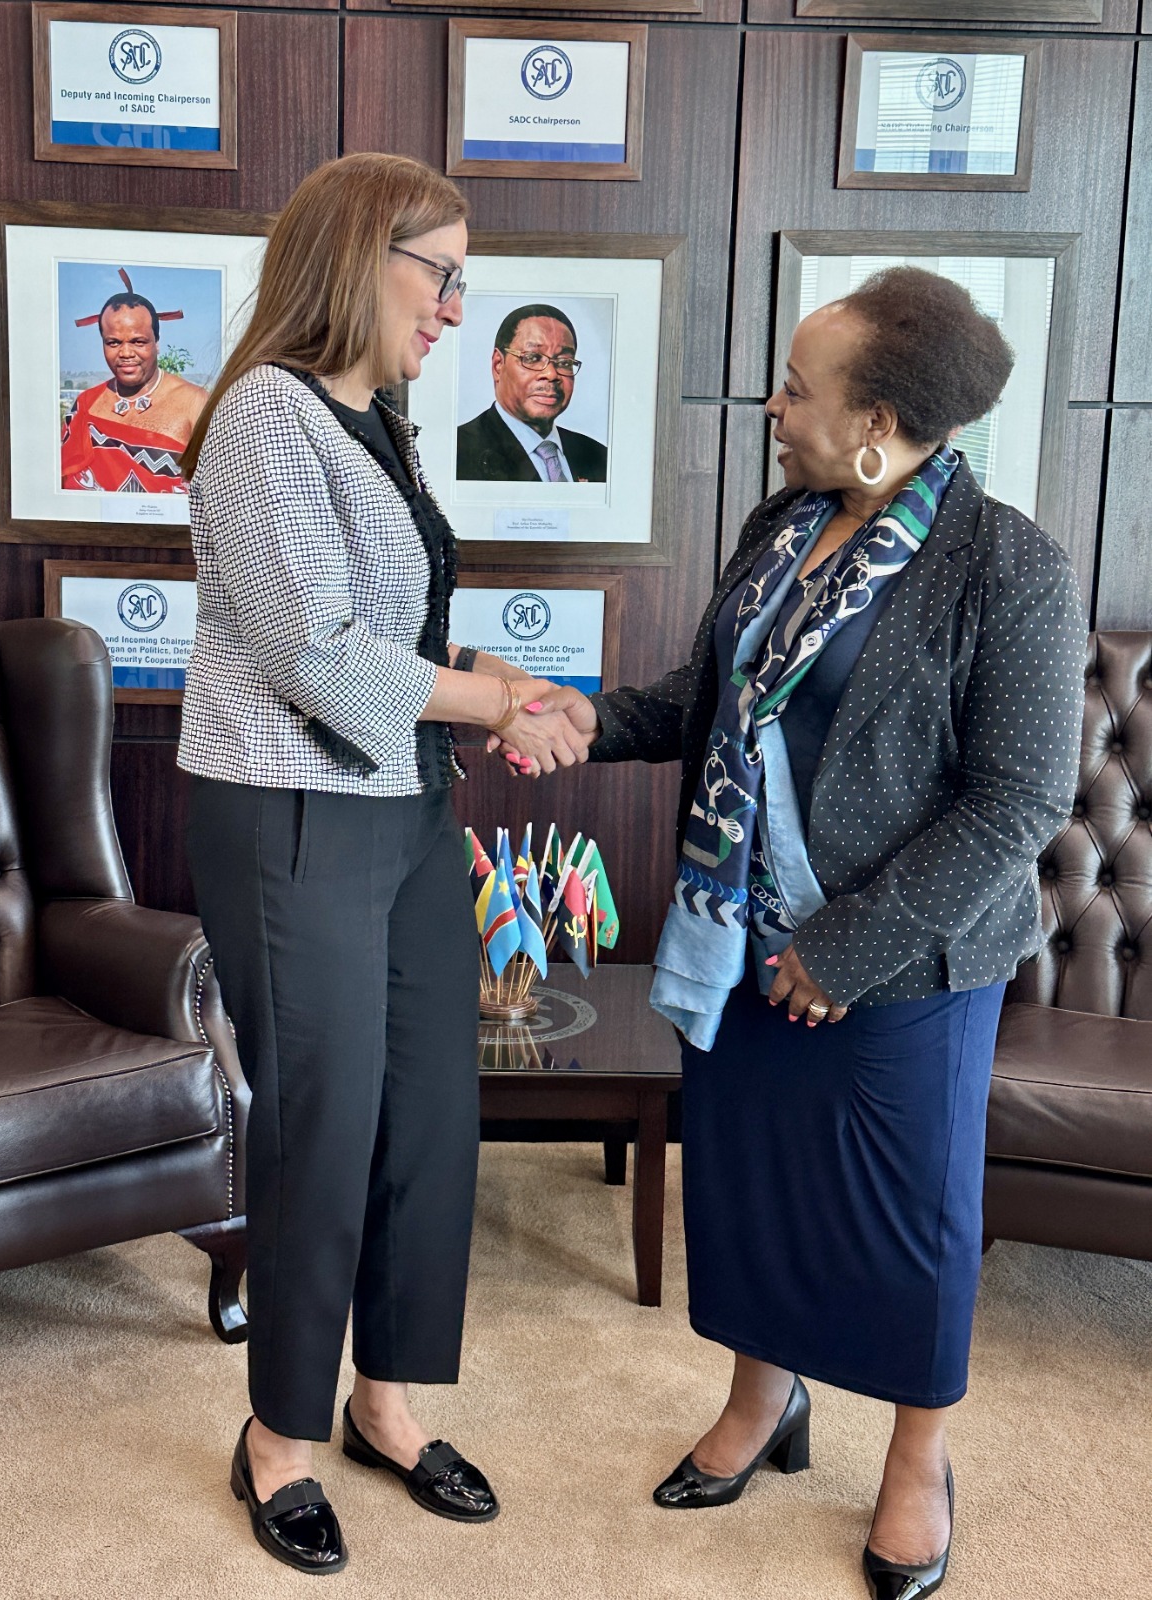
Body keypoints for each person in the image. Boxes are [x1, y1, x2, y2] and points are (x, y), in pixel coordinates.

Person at [502, 267, 1086, 1597]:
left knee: (906, 1212)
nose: (771, 408)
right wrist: (595, 718)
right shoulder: (783, 522)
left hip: (905, 959)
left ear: (875, 421)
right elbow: (712, 701)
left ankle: (917, 1457)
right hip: (738, 931)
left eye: (795, 389)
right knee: (749, 1181)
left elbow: (1014, 802)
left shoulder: (1008, 568)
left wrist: (844, 949)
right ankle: (761, 1399)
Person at [177, 153, 590, 1577]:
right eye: (444, 277)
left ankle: (386, 1406)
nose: (457, 311)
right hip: (287, 811)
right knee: (325, 1121)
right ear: (361, 255)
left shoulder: (382, 423)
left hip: (405, 808)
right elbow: (310, 648)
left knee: (427, 1113)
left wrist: (494, 683)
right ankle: (278, 1438)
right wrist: (491, 706)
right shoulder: (263, 413)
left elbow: (394, 635)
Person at [61, 288, 207, 494]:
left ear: (156, 343)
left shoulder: (195, 403)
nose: (126, 353)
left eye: (138, 342)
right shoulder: (87, 404)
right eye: (113, 343)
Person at [455, 303, 607, 482]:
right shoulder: (459, 452)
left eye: (564, 362)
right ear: (498, 365)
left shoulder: (597, 456)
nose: (551, 374)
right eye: (532, 358)